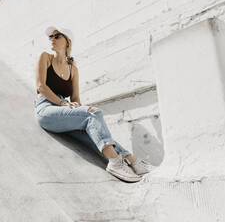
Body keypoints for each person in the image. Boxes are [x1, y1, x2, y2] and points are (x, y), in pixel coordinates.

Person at [33, 26, 151, 182]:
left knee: (93, 128)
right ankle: (115, 162)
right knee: (94, 113)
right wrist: (63, 103)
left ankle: (132, 160)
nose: (52, 39)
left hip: (65, 110)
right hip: (46, 108)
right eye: (51, 37)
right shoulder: (45, 57)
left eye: (57, 36)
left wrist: (79, 113)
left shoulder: (73, 69)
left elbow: (75, 98)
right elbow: (41, 87)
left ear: (68, 42)